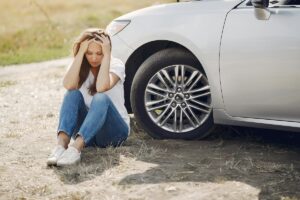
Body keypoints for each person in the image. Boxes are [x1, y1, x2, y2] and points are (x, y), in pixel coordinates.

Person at [47, 28, 130, 167]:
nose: (94, 58)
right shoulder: (79, 65)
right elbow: (68, 85)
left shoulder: (116, 64)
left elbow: (102, 87)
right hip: (88, 134)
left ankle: (75, 149)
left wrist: (107, 55)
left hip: (114, 133)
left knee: (100, 98)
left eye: (99, 53)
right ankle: (61, 147)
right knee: (72, 93)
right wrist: (80, 53)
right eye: (89, 53)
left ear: (106, 50)